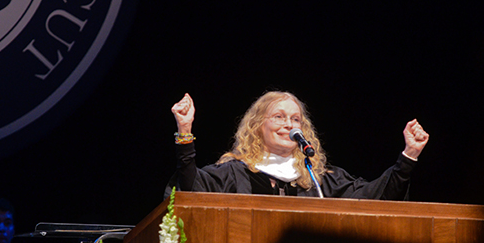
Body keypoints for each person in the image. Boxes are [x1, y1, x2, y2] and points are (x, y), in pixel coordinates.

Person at [167, 90, 429, 199]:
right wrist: (185, 132)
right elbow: (189, 191)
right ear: (258, 126)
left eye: (295, 120)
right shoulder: (234, 173)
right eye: (279, 117)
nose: (288, 125)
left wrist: (409, 156)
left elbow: (376, 198)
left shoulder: (319, 181)